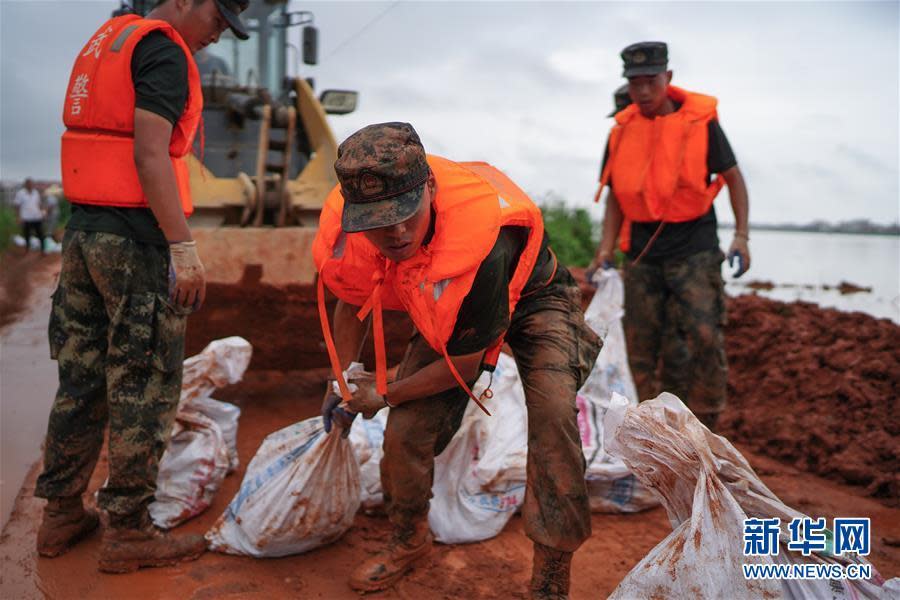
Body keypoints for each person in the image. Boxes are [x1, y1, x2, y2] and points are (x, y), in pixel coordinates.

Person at [314, 122, 602, 599]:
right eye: (379, 221)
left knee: (552, 417)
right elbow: (351, 299)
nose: (397, 232)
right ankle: (408, 539)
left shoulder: (482, 242)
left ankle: (551, 572)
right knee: (406, 430)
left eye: (406, 213)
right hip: (452, 314)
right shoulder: (358, 233)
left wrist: (383, 393)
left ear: (429, 187)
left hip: (535, 301)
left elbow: (467, 366)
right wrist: (341, 381)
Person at [34, 0, 248, 574]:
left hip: (84, 234)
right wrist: (184, 247)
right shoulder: (162, 51)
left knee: (81, 378)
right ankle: (128, 531)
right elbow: (150, 153)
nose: (219, 34)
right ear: (184, 0)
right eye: (218, 18)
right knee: (145, 384)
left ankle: (60, 515)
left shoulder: (109, 41)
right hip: (135, 242)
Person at [590, 41, 751, 430]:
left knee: (703, 336)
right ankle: (648, 429)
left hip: (694, 248)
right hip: (644, 254)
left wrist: (742, 236)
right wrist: (605, 249)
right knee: (640, 346)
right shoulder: (621, 131)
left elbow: (733, 179)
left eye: (651, 81)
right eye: (635, 83)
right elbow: (615, 196)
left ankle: (707, 426)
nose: (643, 91)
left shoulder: (701, 124)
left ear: (668, 78)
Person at [14, 178, 46, 254]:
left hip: (37, 217)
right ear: (25, 184)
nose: (30, 185)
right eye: (29, 184)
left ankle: (43, 250)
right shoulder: (20, 194)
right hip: (26, 218)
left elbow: (39, 204)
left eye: (31, 184)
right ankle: (27, 249)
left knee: (40, 233)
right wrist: (18, 217)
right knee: (27, 235)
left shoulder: (36, 193)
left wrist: (43, 212)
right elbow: (17, 206)